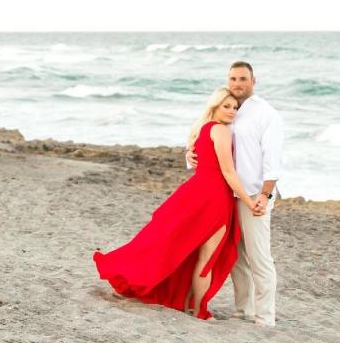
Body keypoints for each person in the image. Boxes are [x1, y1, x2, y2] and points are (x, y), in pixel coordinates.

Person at [93, 87, 257, 320]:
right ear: (215, 107)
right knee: (207, 258)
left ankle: (184, 301)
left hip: (195, 192)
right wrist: (249, 201)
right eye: (226, 106)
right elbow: (228, 172)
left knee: (169, 242)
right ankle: (198, 309)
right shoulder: (221, 130)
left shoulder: (203, 129)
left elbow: (202, 161)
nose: (232, 111)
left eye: (235, 108)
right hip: (215, 199)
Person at [187, 61, 284, 327]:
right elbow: (207, 146)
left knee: (259, 257)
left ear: (254, 81)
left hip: (252, 196)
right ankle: (244, 309)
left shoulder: (266, 114)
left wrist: (265, 196)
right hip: (223, 197)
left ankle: (265, 317)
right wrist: (189, 156)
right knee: (235, 257)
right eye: (232, 78)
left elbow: (272, 160)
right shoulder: (227, 111)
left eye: (243, 78)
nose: (237, 83)